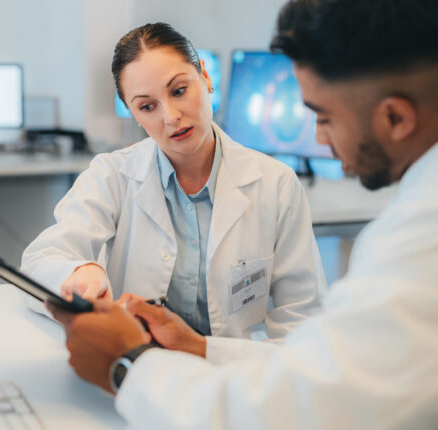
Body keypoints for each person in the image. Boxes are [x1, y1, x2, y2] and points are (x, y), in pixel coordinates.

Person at [48, 0, 438, 428]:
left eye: (322, 117)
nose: (320, 140)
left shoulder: (412, 234)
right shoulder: (115, 173)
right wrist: (196, 348)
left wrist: (130, 366)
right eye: (146, 106)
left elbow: (302, 402)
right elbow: (323, 372)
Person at [22, 23, 325, 341]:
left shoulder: (276, 185)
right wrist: (77, 272)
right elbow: (38, 262)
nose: (170, 116)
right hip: (140, 367)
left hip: (234, 373)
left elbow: (301, 318)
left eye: (179, 91)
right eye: (147, 106)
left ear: (205, 77)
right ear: (133, 114)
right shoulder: (112, 175)